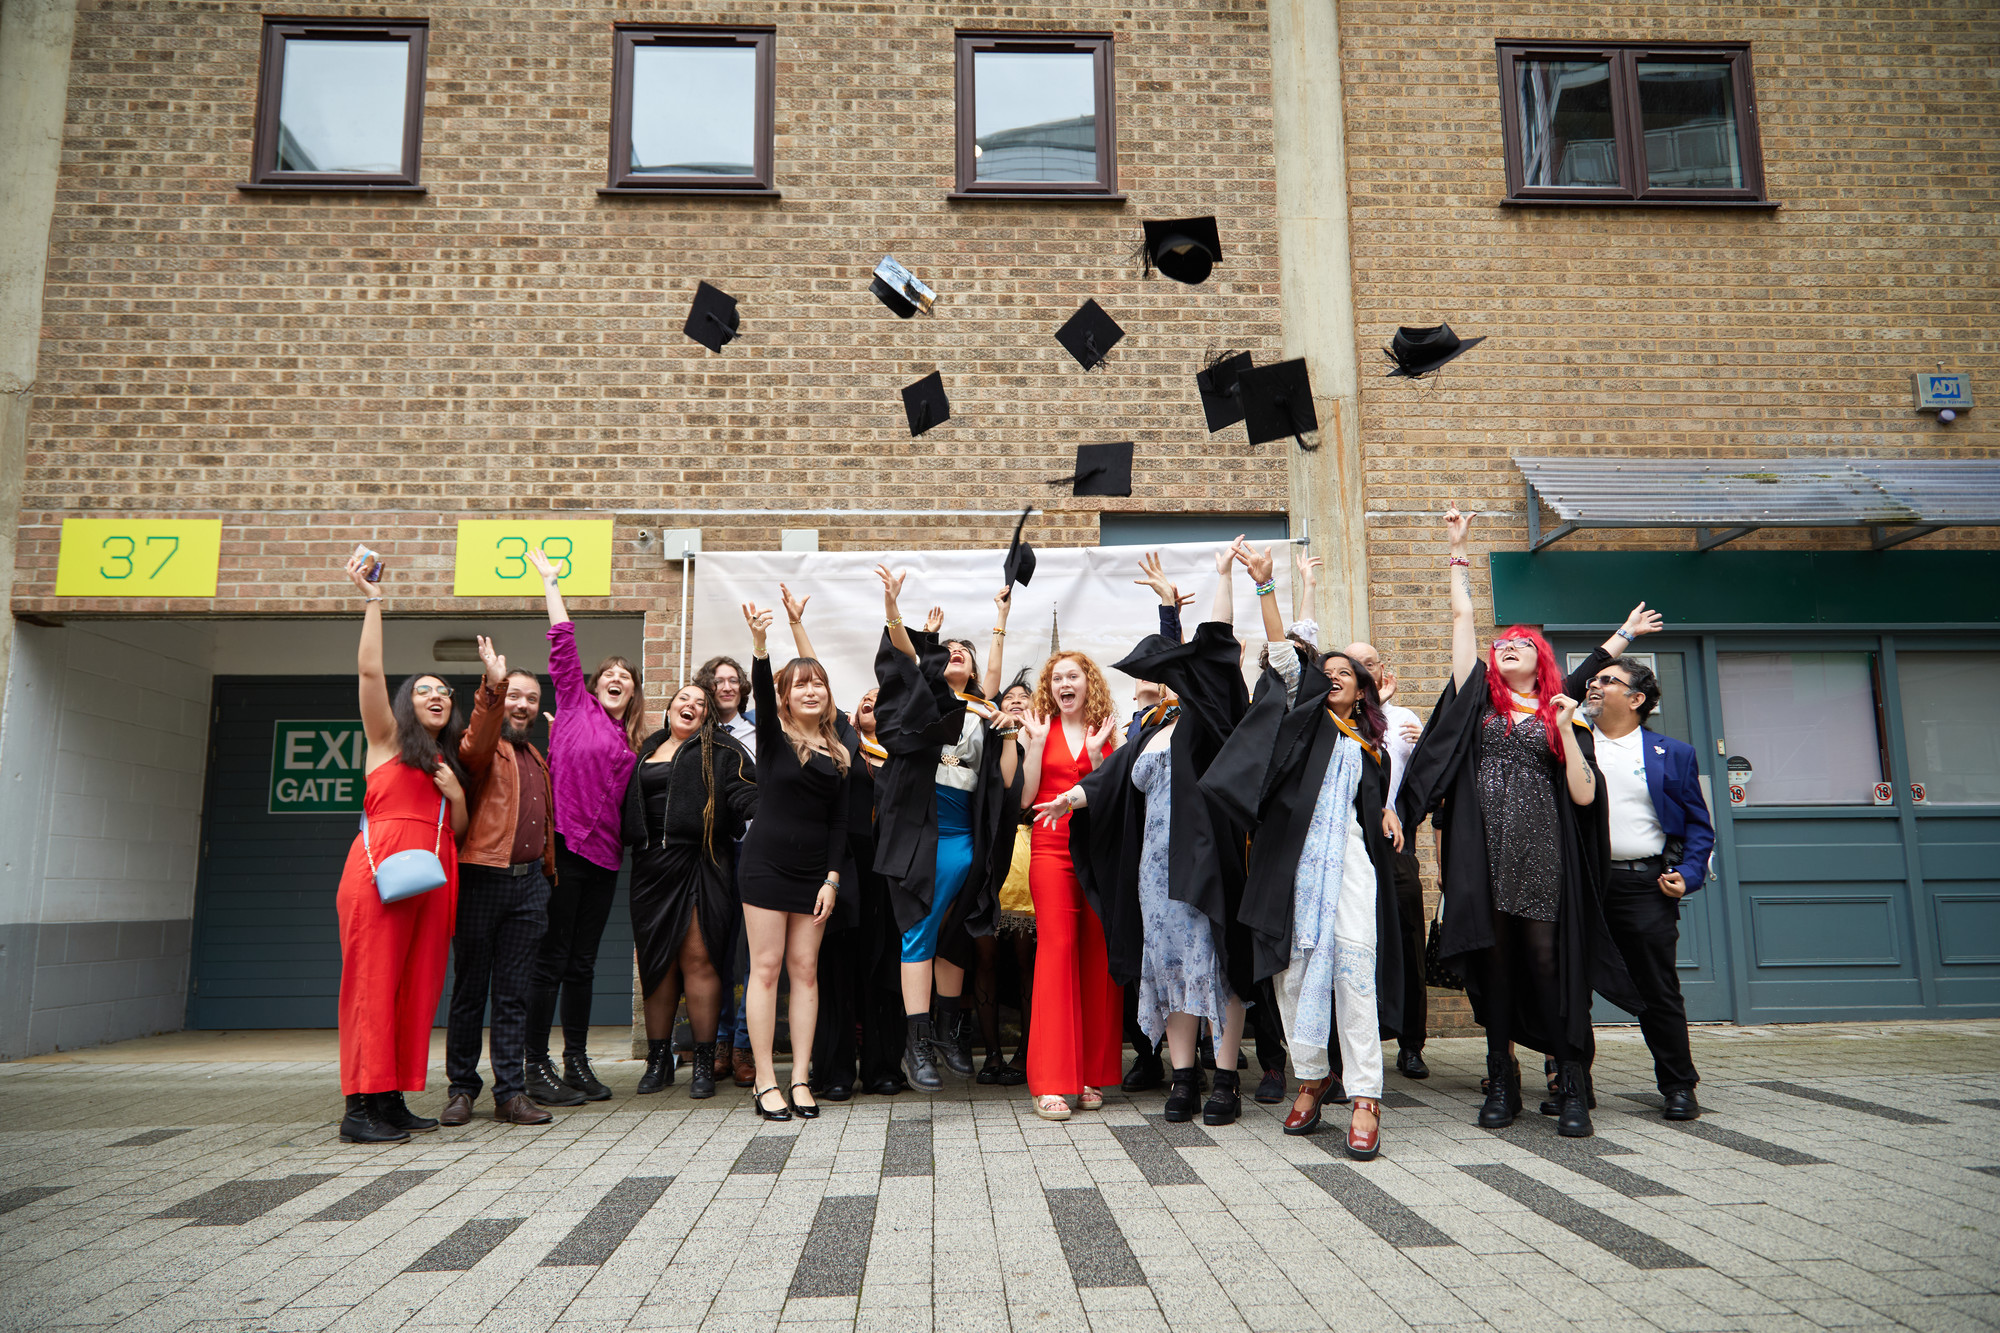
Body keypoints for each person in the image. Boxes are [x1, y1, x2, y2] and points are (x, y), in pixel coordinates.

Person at [1403, 508, 1642, 1138]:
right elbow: (1460, 620)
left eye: (1519, 643)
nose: (1506, 646)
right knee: (1499, 967)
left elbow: (1587, 800)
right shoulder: (1476, 700)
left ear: (1538, 658)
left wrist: (1565, 726)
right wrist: (1458, 551)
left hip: (1543, 855)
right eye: (1499, 643)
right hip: (1484, 856)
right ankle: (1500, 1076)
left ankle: (1568, 1078)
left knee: (1547, 966)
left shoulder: (1566, 711)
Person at [1204, 543, 1407, 1158]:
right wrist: (1268, 589)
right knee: (1292, 976)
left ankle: (1366, 1095)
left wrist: (1388, 807)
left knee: (1353, 974)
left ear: (1365, 691)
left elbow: (1374, 804)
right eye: (1331, 670)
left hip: (1346, 864)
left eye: (1349, 672)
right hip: (1288, 864)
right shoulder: (1309, 720)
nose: (1336, 675)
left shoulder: (1371, 745)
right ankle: (1312, 1078)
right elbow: (1288, 660)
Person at [1041, 547, 1254, 1126]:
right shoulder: (1155, 726)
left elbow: (1214, 655)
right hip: (1153, 870)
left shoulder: (1214, 724)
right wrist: (1072, 796)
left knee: (1216, 963)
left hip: (1205, 860)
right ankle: (1183, 1078)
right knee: (1169, 968)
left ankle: (1226, 1079)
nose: (1155, 680)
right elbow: (1112, 778)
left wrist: (1218, 581)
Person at [334, 549, 468, 1144]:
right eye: (424, 690)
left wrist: (455, 795)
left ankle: (389, 1098)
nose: (437, 696)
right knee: (372, 984)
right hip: (378, 876)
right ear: (407, 703)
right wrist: (372, 601)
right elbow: (369, 674)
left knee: (414, 989)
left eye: (444, 691)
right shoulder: (385, 739)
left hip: (435, 878)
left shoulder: (442, 761)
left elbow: (456, 830)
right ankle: (357, 1108)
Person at [870, 568, 1018, 1092]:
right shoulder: (925, 705)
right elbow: (905, 664)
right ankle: (918, 1042)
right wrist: (894, 612)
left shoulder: (984, 712)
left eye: (964, 650)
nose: (955, 652)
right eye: (947, 648)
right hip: (922, 830)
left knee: (956, 932)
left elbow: (1002, 782)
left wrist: (1000, 618)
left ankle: (953, 1034)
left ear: (975, 667)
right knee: (918, 930)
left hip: (965, 835)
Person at [523, 548, 644, 1106]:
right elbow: (563, 642)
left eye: (627, 678)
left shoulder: (629, 741)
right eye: (610, 674)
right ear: (593, 685)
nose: (618, 679)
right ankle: (533, 1062)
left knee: (584, 963)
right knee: (552, 958)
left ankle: (575, 1061)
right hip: (564, 849)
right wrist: (551, 583)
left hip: (604, 860)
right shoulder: (573, 705)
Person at [1577, 654, 1714, 1121]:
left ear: (1636, 699)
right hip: (1584, 886)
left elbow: (1699, 826)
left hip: (1644, 885)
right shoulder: (1573, 745)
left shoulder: (1672, 753)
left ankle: (1678, 1086)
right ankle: (1575, 1085)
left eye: (1608, 681)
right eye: (1593, 680)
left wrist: (1689, 875)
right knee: (1574, 987)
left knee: (1658, 989)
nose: (1594, 686)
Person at [737, 599, 849, 1121]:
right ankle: (765, 1081)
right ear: (784, 697)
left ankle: (800, 1078)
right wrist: (761, 645)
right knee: (767, 968)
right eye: (800, 684)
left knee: (806, 972)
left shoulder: (838, 751)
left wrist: (831, 879)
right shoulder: (773, 739)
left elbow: (838, 825)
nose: (811, 689)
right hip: (764, 867)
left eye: (818, 683)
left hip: (813, 877)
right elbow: (759, 689)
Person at [441, 637, 558, 1128]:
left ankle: (509, 1093)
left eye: (530, 698)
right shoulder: (482, 750)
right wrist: (492, 684)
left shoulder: (535, 757)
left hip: (529, 886)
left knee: (514, 994)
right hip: (481, 878)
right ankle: (461, 1089)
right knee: (470, 990)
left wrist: (548, 877)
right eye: (515, 696)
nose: (523, 704)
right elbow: (478, 732)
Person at [621, 680, 756, 1099]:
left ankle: (701, 1060)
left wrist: (768, 810)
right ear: (669, 708)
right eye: (684, 699)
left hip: (702, 862)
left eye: (700, 703)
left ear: (707, 716)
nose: (691, 705)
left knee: (699, 959)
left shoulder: (723, 751)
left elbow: (745, 793)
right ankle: (659, 1060)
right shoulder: (645, 751)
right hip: (649, 868)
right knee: (656, 962)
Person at [1017, 650, 1121, 1120]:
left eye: (1072, 676)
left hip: (1097, 853)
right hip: (1051, 851)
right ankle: (1051, 1081)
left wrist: (1100, 755)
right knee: (1057, 954)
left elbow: (1114, 798)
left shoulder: (1107, 730)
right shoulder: (1037, 728)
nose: (1064, 683)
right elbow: (1023, 798)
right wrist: (1035, 746)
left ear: (1088, 683)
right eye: (1056, 677)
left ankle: (1088, 1073)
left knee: (1095, 955)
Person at [1340, 631, 1430, 1081]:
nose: (1361, 670)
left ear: (1381, 672)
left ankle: (1412, 1043)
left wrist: (1424, 740)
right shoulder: (1337, 720)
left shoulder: (1405, 720)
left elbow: (1424, 780)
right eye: (1351, 664)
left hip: (1395, 848)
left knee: (1409, 939)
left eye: (1368, 663)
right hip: (1350, 846)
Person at [694, 653, 756, 1089]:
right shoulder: (696, 733)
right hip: (713, 852)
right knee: (716, 950)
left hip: (755, 849)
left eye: (734, 680)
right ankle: (716, 1041)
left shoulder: (760, 731)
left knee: (754, 953)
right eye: (719, 681)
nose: (727, 687)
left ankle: (744, 1045)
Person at [976, 672, 1037, 1087]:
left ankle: (1028, 1050)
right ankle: (991, 1052)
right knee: (984, 959)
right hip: (987, 852)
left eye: (1024, 696)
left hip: (1032, 854)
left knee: (1027, 962)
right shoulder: (984, 737)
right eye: (1009, 696)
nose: (1015, 700)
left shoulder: (1044, 737)